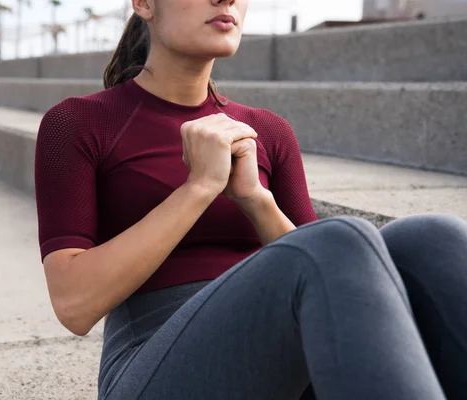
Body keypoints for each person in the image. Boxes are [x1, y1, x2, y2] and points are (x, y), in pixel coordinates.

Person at [34, 0, 467, 399]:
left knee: (431, 236)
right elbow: (75, 305)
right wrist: (198, 188)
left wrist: (255, 200)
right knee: (335, 241)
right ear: (145, 3)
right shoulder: (78, 123)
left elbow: (330, 266)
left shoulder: (267, 131)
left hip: (283, 356)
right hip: (153, 363)